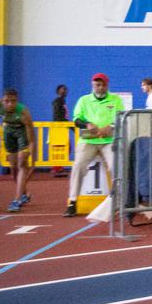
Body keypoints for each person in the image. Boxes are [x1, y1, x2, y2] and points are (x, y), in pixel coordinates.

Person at [64, 73, 125, 217]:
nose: (101, 87)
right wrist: (87, 124)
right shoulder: (84, 100)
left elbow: (121, 117)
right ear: (92, 85)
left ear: (107, 85)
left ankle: (120, 201)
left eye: (103, 84)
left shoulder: (116, 100)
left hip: (109, 140)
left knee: (116, 166)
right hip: (88, 140)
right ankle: (72, 202)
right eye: (98, 84)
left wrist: (110, 127)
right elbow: (76, 119)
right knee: (78, 165)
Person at [0, 90, 35, 212]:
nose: (10, 104)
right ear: (2, 101)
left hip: (22, 132)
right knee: (14, 169)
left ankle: (17, 200)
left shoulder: (24, 113)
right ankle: (25, 194)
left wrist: (32, 156)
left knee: (21, 165)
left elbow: (32, 138)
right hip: (8, 130)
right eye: (7, 101)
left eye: (13, 101)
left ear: (17, 101)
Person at [51, 84, 69, 177]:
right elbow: (57, 116)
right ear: (58, 91)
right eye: (63, 89)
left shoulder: (63, 101)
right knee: (59, 148)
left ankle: (59, 167)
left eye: (66, 89)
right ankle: (56, 169)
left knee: (66, 147)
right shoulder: (57, 101)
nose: (65, 91)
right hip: (58, 127)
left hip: (63, 127)